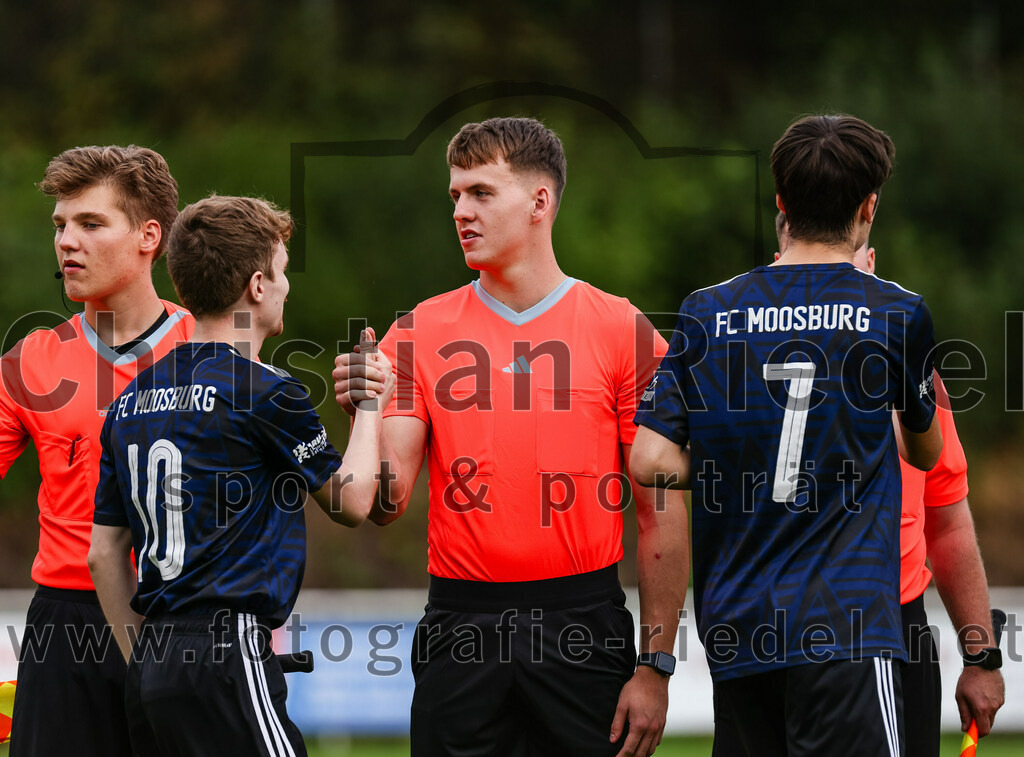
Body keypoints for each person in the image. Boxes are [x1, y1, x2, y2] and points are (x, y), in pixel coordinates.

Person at [333, 116, 687, 757]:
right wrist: (366, 409)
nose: (461, 211)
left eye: (481, 193)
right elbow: (386, 505)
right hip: (460, 628)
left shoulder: (622, 331)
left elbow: (661, 509)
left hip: (584, 623)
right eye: (455, 196)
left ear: (540, 203)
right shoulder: (416, 332)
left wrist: (655, 665)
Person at [631, 114, 944, 756]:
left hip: (739, 622)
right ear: (869, 207)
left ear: (781, 203)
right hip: (848, 625)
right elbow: (925, 450)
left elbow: (649, 459)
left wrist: (733, 454)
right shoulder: (896, 312)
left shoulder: (706, 310)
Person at [89, 195, 393, 756]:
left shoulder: (130, 399)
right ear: (257, 285)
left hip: (152, 661)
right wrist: (371, 405)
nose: (285, 287)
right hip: (227, 652)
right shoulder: (265, 389)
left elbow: (103, 554)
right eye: (280, 273)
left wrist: (146, 660)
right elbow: (352, 502)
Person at [778, 215, 1004, 755]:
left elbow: (946, 518)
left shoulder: (916, 377)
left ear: (870, 263)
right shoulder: (748, 363)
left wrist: (981, 657)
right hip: (770, 622)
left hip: (891, 626)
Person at [0, 145, 193, 756]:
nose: (67, 242)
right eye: (60, 225)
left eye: (90, 223)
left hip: (183, 619)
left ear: (148, 236)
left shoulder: (214, 350)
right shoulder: (30, 361)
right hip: (65, 632)